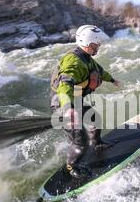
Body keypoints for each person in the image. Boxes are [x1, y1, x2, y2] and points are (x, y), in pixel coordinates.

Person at [51, 25, 120, 179]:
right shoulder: (75, 62)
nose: (99, 46)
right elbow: (64, 85)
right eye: (97, 43)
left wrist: (112, 79)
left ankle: (96, 143)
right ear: (88, 43)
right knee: (80, 142)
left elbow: (99, 71)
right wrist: (68, 108)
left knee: (95, 119)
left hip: (75, 100)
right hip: (62, 103)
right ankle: (71, 166)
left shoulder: (87, 58)